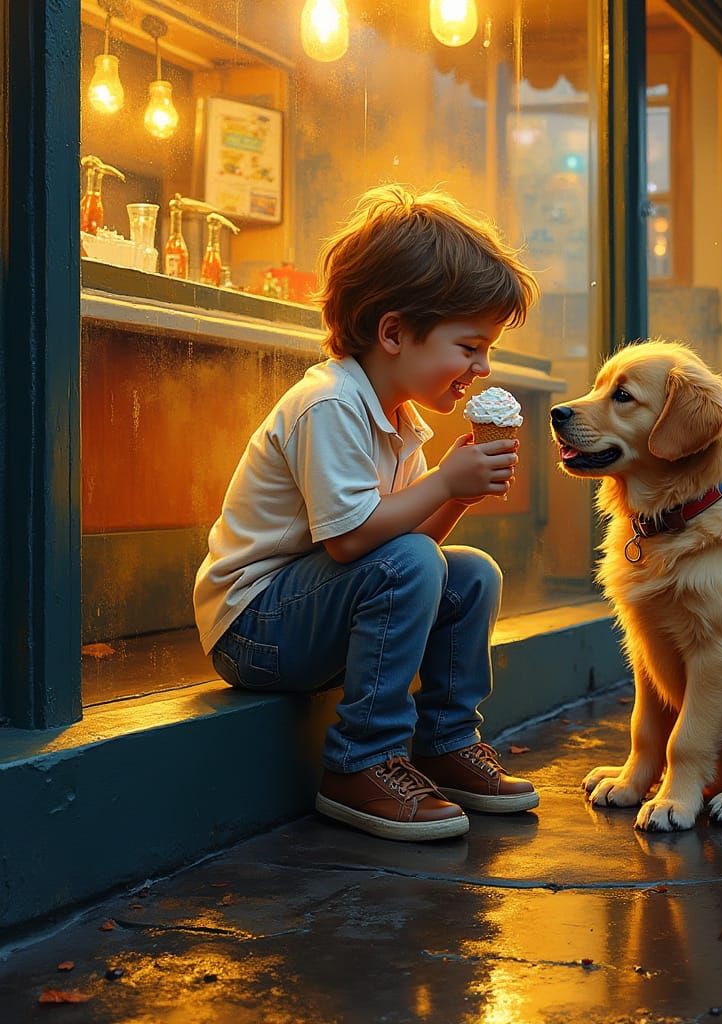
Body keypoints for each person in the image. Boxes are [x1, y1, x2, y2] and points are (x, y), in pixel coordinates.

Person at [193, 185, 541, 842]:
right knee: (411, 561)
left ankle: (443, 744)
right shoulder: (329, 404)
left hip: (318, 614)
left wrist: (455, 495)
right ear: (394, 332)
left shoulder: (400, 420)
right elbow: (354, 543)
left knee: (471, 573)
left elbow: (411, 544)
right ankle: (359, 763)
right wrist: (444, 482)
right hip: (255, 628)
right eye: (470, 346)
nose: (482, 367)